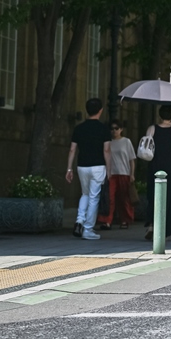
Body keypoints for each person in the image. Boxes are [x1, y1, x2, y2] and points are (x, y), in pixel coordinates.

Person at [65, 98, 112, 241]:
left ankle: (79, 221)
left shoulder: (79, 128)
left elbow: (72, 150)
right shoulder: (104, 129)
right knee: (94, 197)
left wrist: (69, 169)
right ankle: (88, 229)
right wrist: (109, 170)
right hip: (98, 166)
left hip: (82, 166)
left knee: (85, 194)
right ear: (100, 110)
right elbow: (107, 151)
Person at [143, 104, 171, 241]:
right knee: (168, 197)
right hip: (168, 168)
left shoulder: (152, 128)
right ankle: (164, 228)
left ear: (160, 115)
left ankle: (151, 226)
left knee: (153, 195)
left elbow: (147, 144)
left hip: (154, 165)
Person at [97, 121, 136, 230]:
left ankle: (125, 220)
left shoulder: (126, 142)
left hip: (124, 172)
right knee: (110, 197)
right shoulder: (108, 142)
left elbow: (131, 160)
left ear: (121, 129)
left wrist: (132, 174)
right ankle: (107, 221)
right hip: (111, 173)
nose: (114, 131)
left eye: (116, 128)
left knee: (124, 198)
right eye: (112, 128)